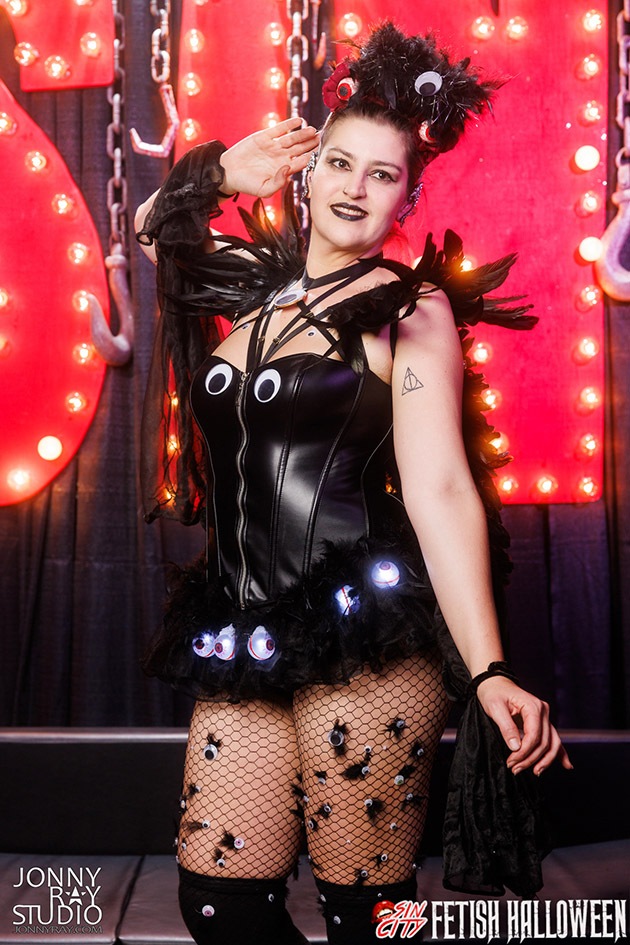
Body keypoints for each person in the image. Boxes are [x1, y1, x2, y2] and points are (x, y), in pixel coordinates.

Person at [135, 23, 571, 945]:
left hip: (366, 634)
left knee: (373, 916)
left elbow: (439, 486)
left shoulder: (410, 309)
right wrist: (221, 173)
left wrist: (489, 669)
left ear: (409, 193)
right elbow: (151, 229)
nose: (354, 187)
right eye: (339, 163)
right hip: (246, 627)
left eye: (381, 174)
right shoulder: (253, 290)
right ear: (308, 172)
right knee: (219, 905)